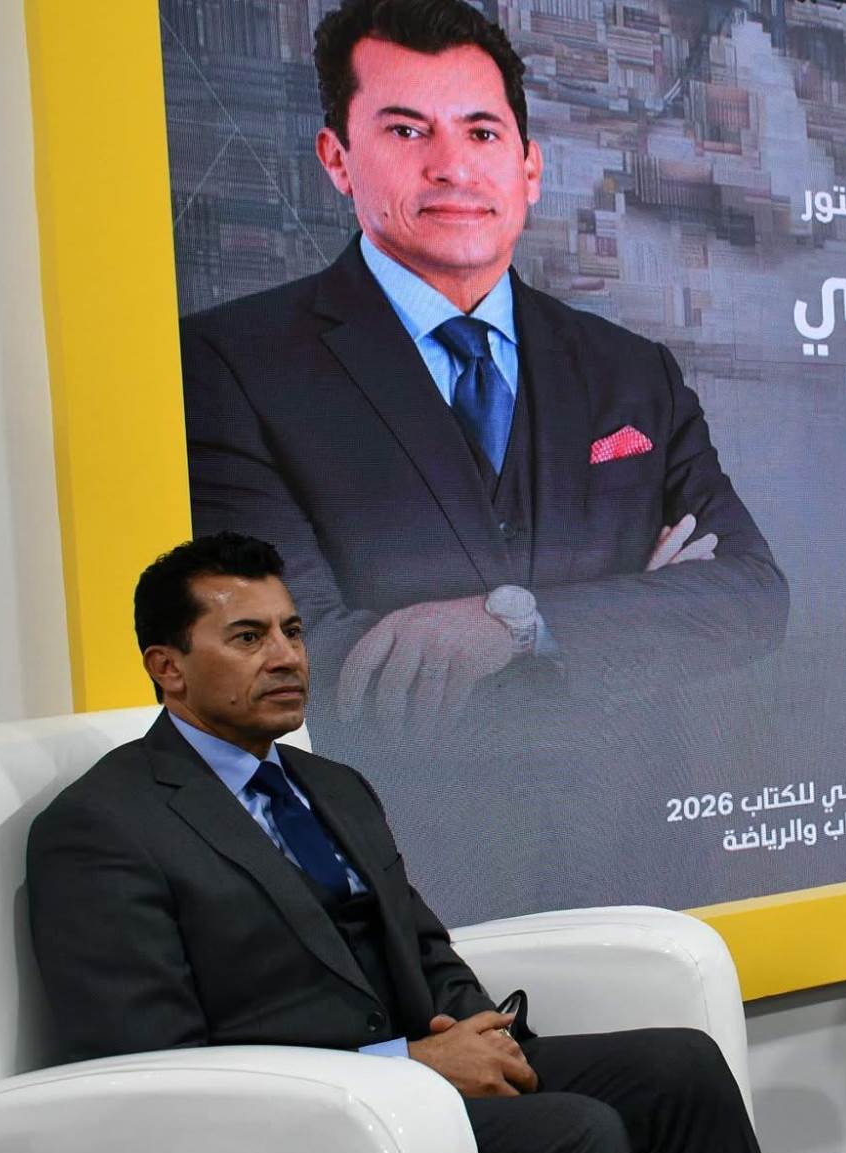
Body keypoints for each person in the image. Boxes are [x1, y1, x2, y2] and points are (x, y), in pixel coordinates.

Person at [26, 532, 820, 1153]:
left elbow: (423, 944)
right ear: (168, 666)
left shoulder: (332, 783)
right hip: (304, 1127)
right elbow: (157, 1066)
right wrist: (407, 1066)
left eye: (292, 630)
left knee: (683, 1066)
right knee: (576, 1134)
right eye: (248, 636)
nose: (287, 656)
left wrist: (481, 1034)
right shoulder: (103, 825)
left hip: (426, 1076)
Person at [180, 0, 787, 728]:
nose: (453, 167)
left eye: (482, 132)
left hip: (634, 801)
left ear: (529, 167)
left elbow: (749, 595)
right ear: (337, 159)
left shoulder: (634, 373)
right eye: (407, 131)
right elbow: (301, 658)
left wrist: (519, 625)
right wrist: (633, 610)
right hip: (406, 801)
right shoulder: (230, 365)